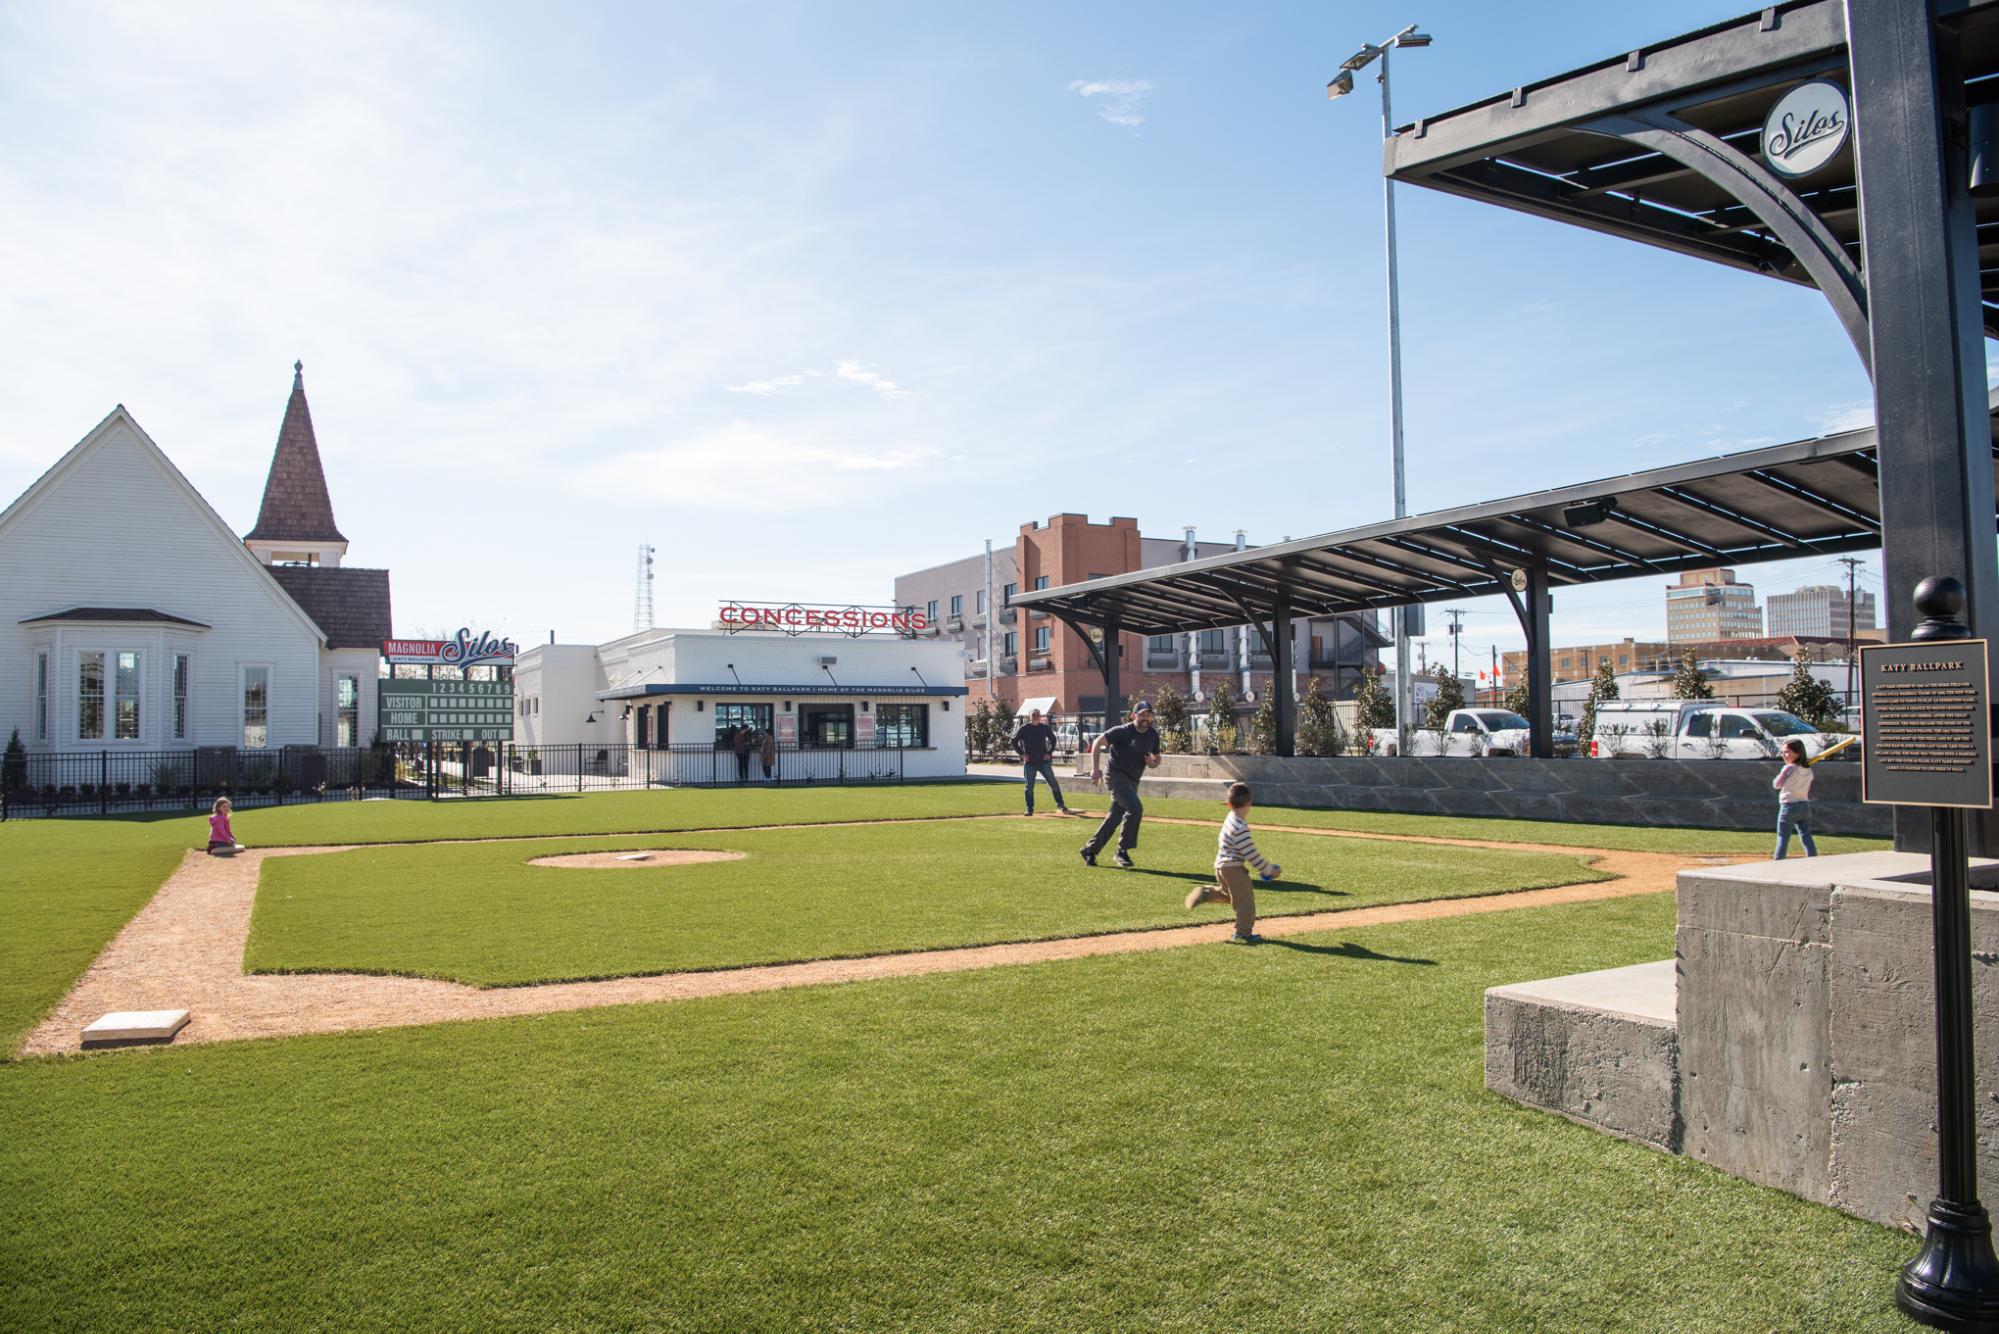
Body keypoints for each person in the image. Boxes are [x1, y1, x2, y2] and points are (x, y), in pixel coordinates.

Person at [1187, 782, 1281, 944]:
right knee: (1246, 902)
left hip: (1220, 866)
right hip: (1233, 868)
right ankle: (1242, 934)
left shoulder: (1230, 818)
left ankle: (1206, 894)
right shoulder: (1240, 827)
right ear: (1249, 803)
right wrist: (1267, 869)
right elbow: (1250, 853)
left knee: (1229, 896)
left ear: (1229, 804)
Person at [1080, 701, 1161, 869]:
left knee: (1115, 817)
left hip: (1133, 780)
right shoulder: (1122, 731)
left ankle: (1090, 850)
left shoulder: (1153, 734)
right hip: (1115, 776)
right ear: (1133, 716)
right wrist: (1095, 769)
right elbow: (1097, 742)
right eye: (1142, 714)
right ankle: (1122, 850)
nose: (1145, 718)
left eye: (1148, 714)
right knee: (1135, 808)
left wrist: (1153, 763)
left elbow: (1157, 758)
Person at [1012, 707, 1070, 816]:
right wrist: (1022, 754)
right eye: (1033, 715)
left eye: (1038, 715)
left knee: (1053, 783)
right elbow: (1013, 741)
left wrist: (1049, 753)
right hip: (1030, 763)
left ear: (1040, 717)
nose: (1036, 717)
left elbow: (1053, 740)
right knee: (1029, 787)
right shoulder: (1024, 728)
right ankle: (1029, 808)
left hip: (1044, 762)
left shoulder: (1044, 728)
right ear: (1029, 717)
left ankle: (1061, 805)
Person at [1773, 738, 1818, 859]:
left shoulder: (1788, 768)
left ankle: (1778, 861)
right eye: (1783, 752)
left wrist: (1784, 771)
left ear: (1798, 753)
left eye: (1787, 752)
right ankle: (1813, 859)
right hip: (1804, 805)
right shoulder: (1808, 769)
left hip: (1788, 806)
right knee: (1806, 836)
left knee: (1783, 837)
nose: (1784, 755)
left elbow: (1777, 784)